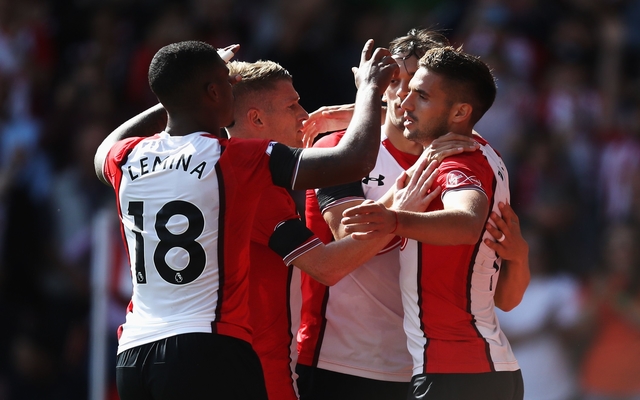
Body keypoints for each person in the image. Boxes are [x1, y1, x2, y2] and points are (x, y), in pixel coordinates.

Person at [93, 39, 398, 400]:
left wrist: (180, 92)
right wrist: (370, 90)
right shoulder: (235, 160)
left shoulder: (125, 157)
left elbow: (104, 149)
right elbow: (355, 161)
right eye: (225, 82)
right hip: (207, 348)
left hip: (134, 350)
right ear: (212, 92)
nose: (230, 88)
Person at [297, 29, 529, 400]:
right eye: (398, 83)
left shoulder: (469, 156)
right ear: (380, 85)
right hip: (344, 361)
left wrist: (518, 256)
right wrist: (397, 209)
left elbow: (502, 292)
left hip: (430, 368)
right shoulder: (339, 147)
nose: (404, 98)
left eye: (420, 90)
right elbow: (344, 234)